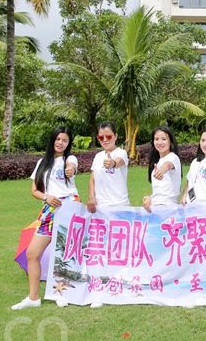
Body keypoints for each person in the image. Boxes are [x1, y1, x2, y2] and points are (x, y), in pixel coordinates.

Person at [12, 127, 79, 310]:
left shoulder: (70, 159)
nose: (60, 143)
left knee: (62, 254)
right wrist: (46, 197)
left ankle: (61, 293)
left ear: (68, 144)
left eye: (65, 140)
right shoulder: (42, 162)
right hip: (49, 209)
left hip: (68, 208)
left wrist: (70, 170)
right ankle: (33, 298)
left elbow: (71, 168)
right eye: (58, 139)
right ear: (52, 140)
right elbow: (34, 190)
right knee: (32, 253)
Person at [86, 121, 130, 309]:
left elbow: (118, 162)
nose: (105, 140)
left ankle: (121, 284)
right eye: (101, 137)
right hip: (100, 209)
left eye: (108, 136)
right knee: (100, 249)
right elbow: (92, 179)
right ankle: (100, 289)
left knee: (119, 249)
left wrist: (112, 162)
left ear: (116, 136)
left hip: (119, 207)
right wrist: (91, 197)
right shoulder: (97, 157)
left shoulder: (121, 153)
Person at [143, 125, 182, 213]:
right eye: (156, 139)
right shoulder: (157, 163)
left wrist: (161, 171)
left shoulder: (173, 157)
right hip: (156, 208)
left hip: (169, 208)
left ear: (170, 141)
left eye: (164, 139)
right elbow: (161, 191)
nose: (160, 142)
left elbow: (168, 165)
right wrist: (150, 198)